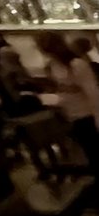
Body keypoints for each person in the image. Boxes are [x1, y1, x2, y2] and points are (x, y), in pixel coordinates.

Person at [33, 31, 99, 173]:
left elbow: (93, 94)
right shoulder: (52, 66)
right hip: (72, 114)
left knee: (94, 152)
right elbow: (61, 91)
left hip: (86, 114)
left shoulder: (76, 64)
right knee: (89, 152)